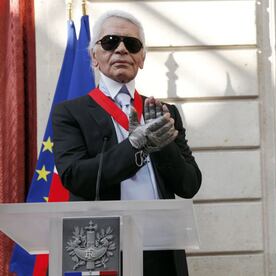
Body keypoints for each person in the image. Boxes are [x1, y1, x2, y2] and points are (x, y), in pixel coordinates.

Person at [52, 10, 202, 276]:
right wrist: (133, 146)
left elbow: (189, 185)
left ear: (141, 58)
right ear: (94, 56)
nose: (121, 49)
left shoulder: (163, 112)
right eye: (110, 41)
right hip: (98, 244)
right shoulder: (70, 112)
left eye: (131, 44)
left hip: (160, 245)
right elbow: (75, 177)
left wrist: (160, 145)